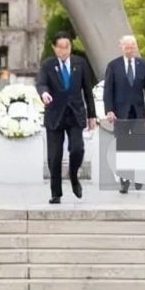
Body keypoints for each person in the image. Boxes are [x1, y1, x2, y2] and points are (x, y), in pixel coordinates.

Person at [36, 31, 97, 204]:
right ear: (54, 48)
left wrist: (91, 115)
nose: (64, 51)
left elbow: (87, 90)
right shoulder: (48, 65)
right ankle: (56, 192)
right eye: (60, 47)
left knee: (77, 148)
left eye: (67, 47)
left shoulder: (80, 63)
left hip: (75, 114)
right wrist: (44, 93)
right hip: (55, 114)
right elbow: (41, 83)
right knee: (54, 156)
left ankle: (73, 174)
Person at [103, 35, 145, 194]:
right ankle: (124, 180)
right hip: (120, 113)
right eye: (127, 47)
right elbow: (108, 90)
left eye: (132, 47)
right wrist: (109, 110)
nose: (129, 50)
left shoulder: (143, 65)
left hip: (138, 112)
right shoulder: (114, 66)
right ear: (122, 48)